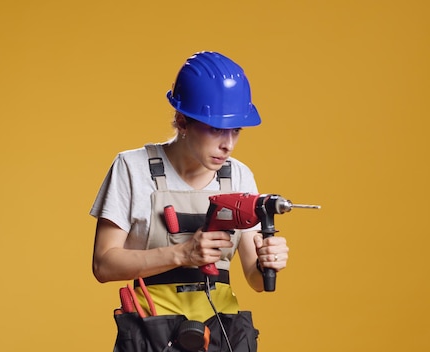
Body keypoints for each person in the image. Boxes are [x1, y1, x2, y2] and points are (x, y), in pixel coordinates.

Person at [90, 51, 289, 352]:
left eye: (235, 130)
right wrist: (182, 254)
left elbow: (255, 279)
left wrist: (268, 263)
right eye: (215, 129)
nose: (228, 144)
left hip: (223, 336)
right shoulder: (132, 168)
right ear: (182, 121)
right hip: (152, 336)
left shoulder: (239, 176)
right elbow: (103, 265)